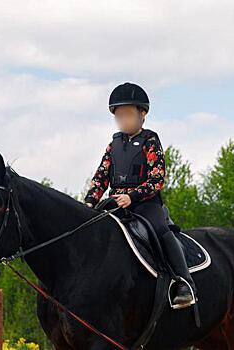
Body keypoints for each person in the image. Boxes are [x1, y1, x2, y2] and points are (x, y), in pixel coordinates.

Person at [84, 82, 197, 308]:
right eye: (119, 116)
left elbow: (157, 178)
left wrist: (132, 197)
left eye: (128, 114)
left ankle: (184, 282)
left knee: (161, 230)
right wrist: (89, 201)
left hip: (144, 204)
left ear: (142, 114)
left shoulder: (150, 141)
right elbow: (101, 176)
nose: (123, 120)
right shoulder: (113, 145)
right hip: (115, 204)